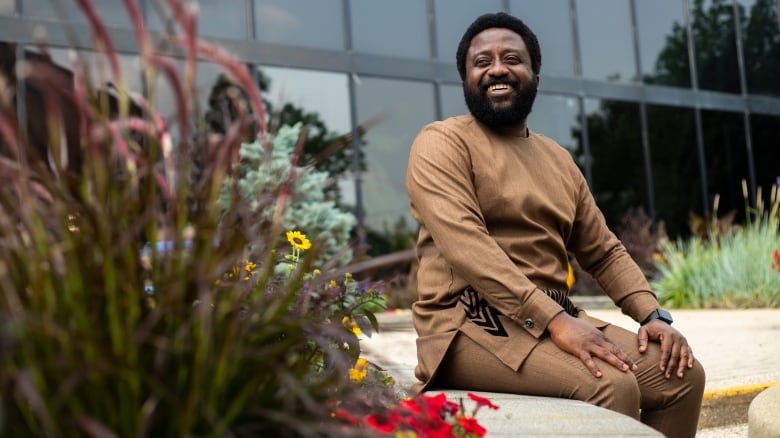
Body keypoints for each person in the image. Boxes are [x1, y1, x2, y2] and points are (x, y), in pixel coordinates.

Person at [405, 12, 705, 438]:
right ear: (465, 79)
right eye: (481, 62)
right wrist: (554, 321)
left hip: (553, 315)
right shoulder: (441, 143)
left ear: (535, 76)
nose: (497, 69)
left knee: (681, 378)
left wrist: (652, 314)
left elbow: (603, 249)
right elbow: (467, 248)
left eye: (512, 58)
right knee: (609, 385)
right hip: (466, 323)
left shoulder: (558, 159)